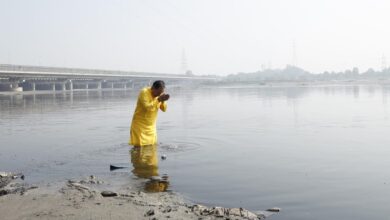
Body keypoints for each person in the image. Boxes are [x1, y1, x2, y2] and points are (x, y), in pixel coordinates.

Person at [129, 80, 170, 147]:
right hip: (140, 127)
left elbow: (164, 109)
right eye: (158, 92)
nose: (159, 94)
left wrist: (163, 101)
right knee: (139, 149)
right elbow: (147, 107)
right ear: (153, 88)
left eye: (161, 92)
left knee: (152, 148)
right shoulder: (144, 92)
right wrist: (159, 99)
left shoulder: (160, 95)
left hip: (151, 127)